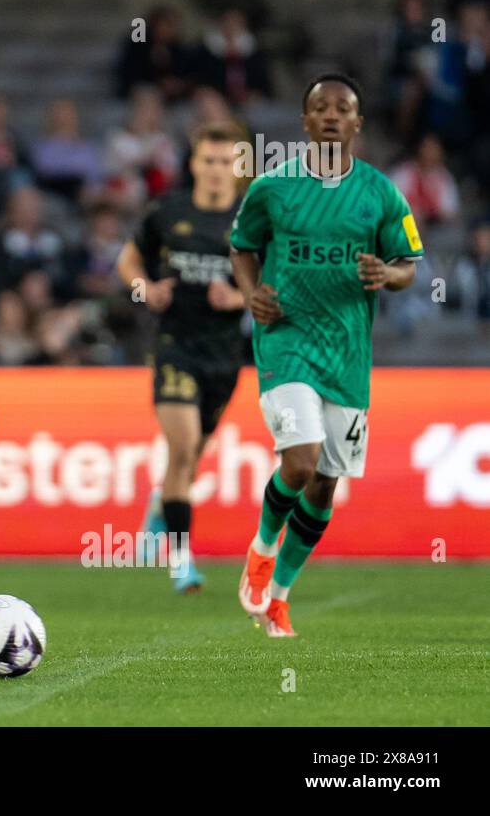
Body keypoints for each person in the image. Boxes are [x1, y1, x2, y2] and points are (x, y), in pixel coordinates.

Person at [230, 74, 422, 637]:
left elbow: (409, 265)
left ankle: (280, 597)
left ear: (358, 124)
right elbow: (242, 246)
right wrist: (251, 293)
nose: (333, 115)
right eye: (321, 108)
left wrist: (387, 273)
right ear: (306, 122)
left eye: (344, 108)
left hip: (346, 354)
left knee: (324, 485)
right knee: (300, 462)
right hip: (286, 339)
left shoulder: (382, 193)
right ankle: (261, 552)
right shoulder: (272, 186)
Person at [115, 122, 248, 593]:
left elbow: (274, 286)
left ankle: (158, 507)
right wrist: (143, 288)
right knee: (183, 443)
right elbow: (128, 261)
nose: (215, 170)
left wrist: (239, 299)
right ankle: (181, 561)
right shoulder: (168, 212)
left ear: (238, 167)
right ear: (193, 165)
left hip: (225, 356)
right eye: (207, 161)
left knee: (190, 458)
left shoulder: (252, 220)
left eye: (224, 162)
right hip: (174, 346)